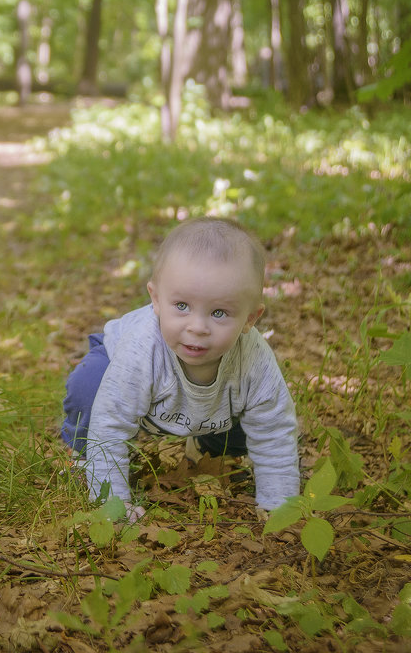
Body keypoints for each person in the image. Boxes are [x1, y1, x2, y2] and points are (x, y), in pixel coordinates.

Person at [61, 217, 299, 521]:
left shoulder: (254, 360)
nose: (197, 327)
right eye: (182, 306)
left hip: (210, 409)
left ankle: (208, 447)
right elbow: (110, 424)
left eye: (218, 312)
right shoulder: (141, 349)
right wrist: (112, 503)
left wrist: (279, 504)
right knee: (89, 389)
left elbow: (274, 428)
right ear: (156, 300)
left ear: (251, 319)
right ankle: (85, 457)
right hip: (120, 380)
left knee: (252, 415)